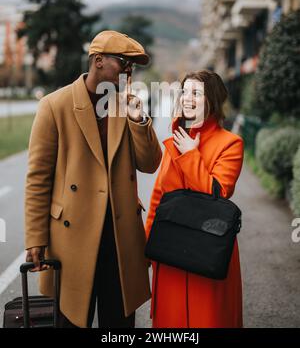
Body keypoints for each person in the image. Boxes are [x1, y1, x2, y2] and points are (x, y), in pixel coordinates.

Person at [24, 30, 162, 328]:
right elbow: (38, 179)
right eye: (123, 63)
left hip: (119, 236)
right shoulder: (54, 106)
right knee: (72, 319)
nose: (128, 72)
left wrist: (138, 120)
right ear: (98, 61)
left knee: (119, 325)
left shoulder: (125, 106)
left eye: (132, 67)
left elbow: (150, 164)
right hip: (70, 238)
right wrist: (36, 238)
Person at [145, 70, 244, 328]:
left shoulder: (230, 144)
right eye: (185, 92)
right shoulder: (176, 138)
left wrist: (191, 155)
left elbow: (218, 195)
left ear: (212, 98)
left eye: (196, 93)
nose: (187, 98)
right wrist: (147, 246)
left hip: (207, 252)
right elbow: (159, 196)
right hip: (170, 252)